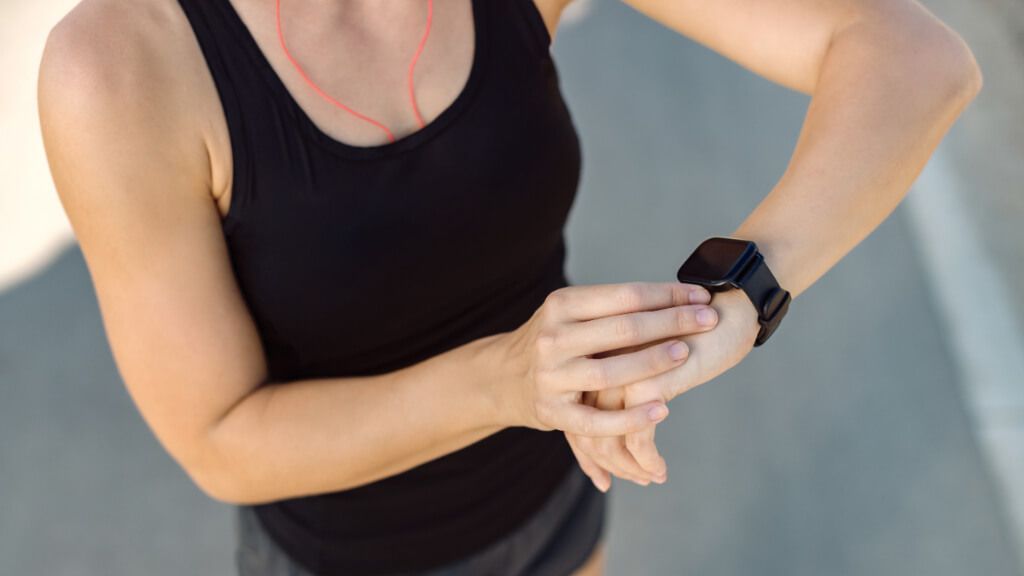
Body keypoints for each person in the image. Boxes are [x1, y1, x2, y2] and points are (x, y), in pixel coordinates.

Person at [36, 0, 981, 574]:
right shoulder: (120, 68)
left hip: (557, 504)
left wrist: (736, 298)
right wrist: (507, 382)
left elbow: (913, 57)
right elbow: (222, 440)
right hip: (348, 560)